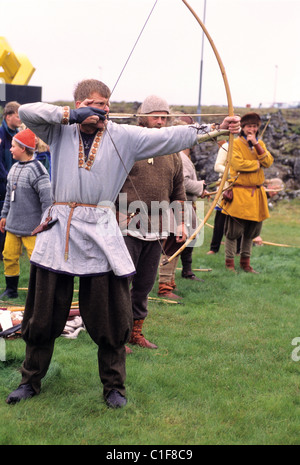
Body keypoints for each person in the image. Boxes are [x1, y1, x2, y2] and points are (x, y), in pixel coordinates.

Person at [5, 79, 240, 408]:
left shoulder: (123, 136)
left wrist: (217, 127)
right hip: (59, 227)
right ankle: (30, 380)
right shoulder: (60, 131)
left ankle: (114, 387)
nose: (100, 109)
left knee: (110, 315)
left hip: (100, 228)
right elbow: (27, 112)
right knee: (42, 313)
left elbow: (168, 136)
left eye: (105, 104)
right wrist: (71, 115)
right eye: (93, 103)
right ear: (78, 105)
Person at [117, 95, 187, 350]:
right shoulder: (128, 146)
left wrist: (179, 224)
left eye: (164, 117)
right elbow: (111, 185)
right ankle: (118, 336)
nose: (160, 121)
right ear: (143, 118)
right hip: (127, 224)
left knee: (145, 284)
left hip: (157, 227)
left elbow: (178, 192)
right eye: (155, 116)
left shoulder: (173, 153)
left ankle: (136, 332)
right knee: (121, 282)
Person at [0, 129, 52, 299]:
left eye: (13, 146)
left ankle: (39, 293)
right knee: (9, 256)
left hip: (32, 228)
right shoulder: (14, 168)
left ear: (23, 149)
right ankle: (11, 290)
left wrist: (45, 223)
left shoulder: (38, 171)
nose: (10, 149)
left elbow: (47, 201)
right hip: (12, 226)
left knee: (36, 261)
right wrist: (4, 215)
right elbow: (8, 195)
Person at [222, 112, 273, 273]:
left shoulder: (260, 143)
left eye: (254, 126)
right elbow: (237, 163)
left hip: (256, 195)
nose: (252, 129)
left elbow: (268, 162)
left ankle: (245, 263)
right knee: (233, 232)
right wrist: (256, 165)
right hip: (240, 193)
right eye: (249, 126)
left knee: (251, 231)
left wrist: (256, 145)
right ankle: (229, 263)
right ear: (242, 128)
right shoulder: (235, 143)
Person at [207, 141, 241, 255]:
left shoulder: (244, 146)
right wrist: (234, 173)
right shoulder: (227, 146)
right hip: (226, 186)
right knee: (221, 218)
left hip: (241, 187)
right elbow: (218, 166)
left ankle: (238, 249)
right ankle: (214, 248)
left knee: (239, 218)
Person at [0, 101, 22, 258]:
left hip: (13, 183)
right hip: (3, 184)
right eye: (17, 115)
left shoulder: (17, 135)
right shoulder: (1, 134)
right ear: (8, 116)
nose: (20, 118)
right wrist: (7, 177)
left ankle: (7, 250)